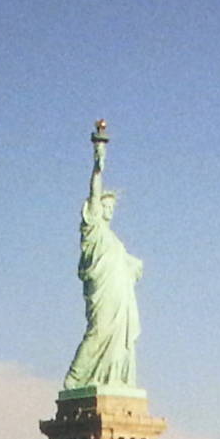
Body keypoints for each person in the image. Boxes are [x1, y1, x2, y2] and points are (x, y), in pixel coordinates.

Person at [62, 122, 143, 390]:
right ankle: (75, 379)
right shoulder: (93, 229)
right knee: (98, 331)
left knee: (119, 339)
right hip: (103, 293)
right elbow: (95, 189)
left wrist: (134, 266)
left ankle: (114, 380)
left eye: (111, 207)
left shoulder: (115, 242)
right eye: (104, 206)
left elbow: (128, 268)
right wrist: (99, 157)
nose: (108, 210)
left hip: (120, 295)